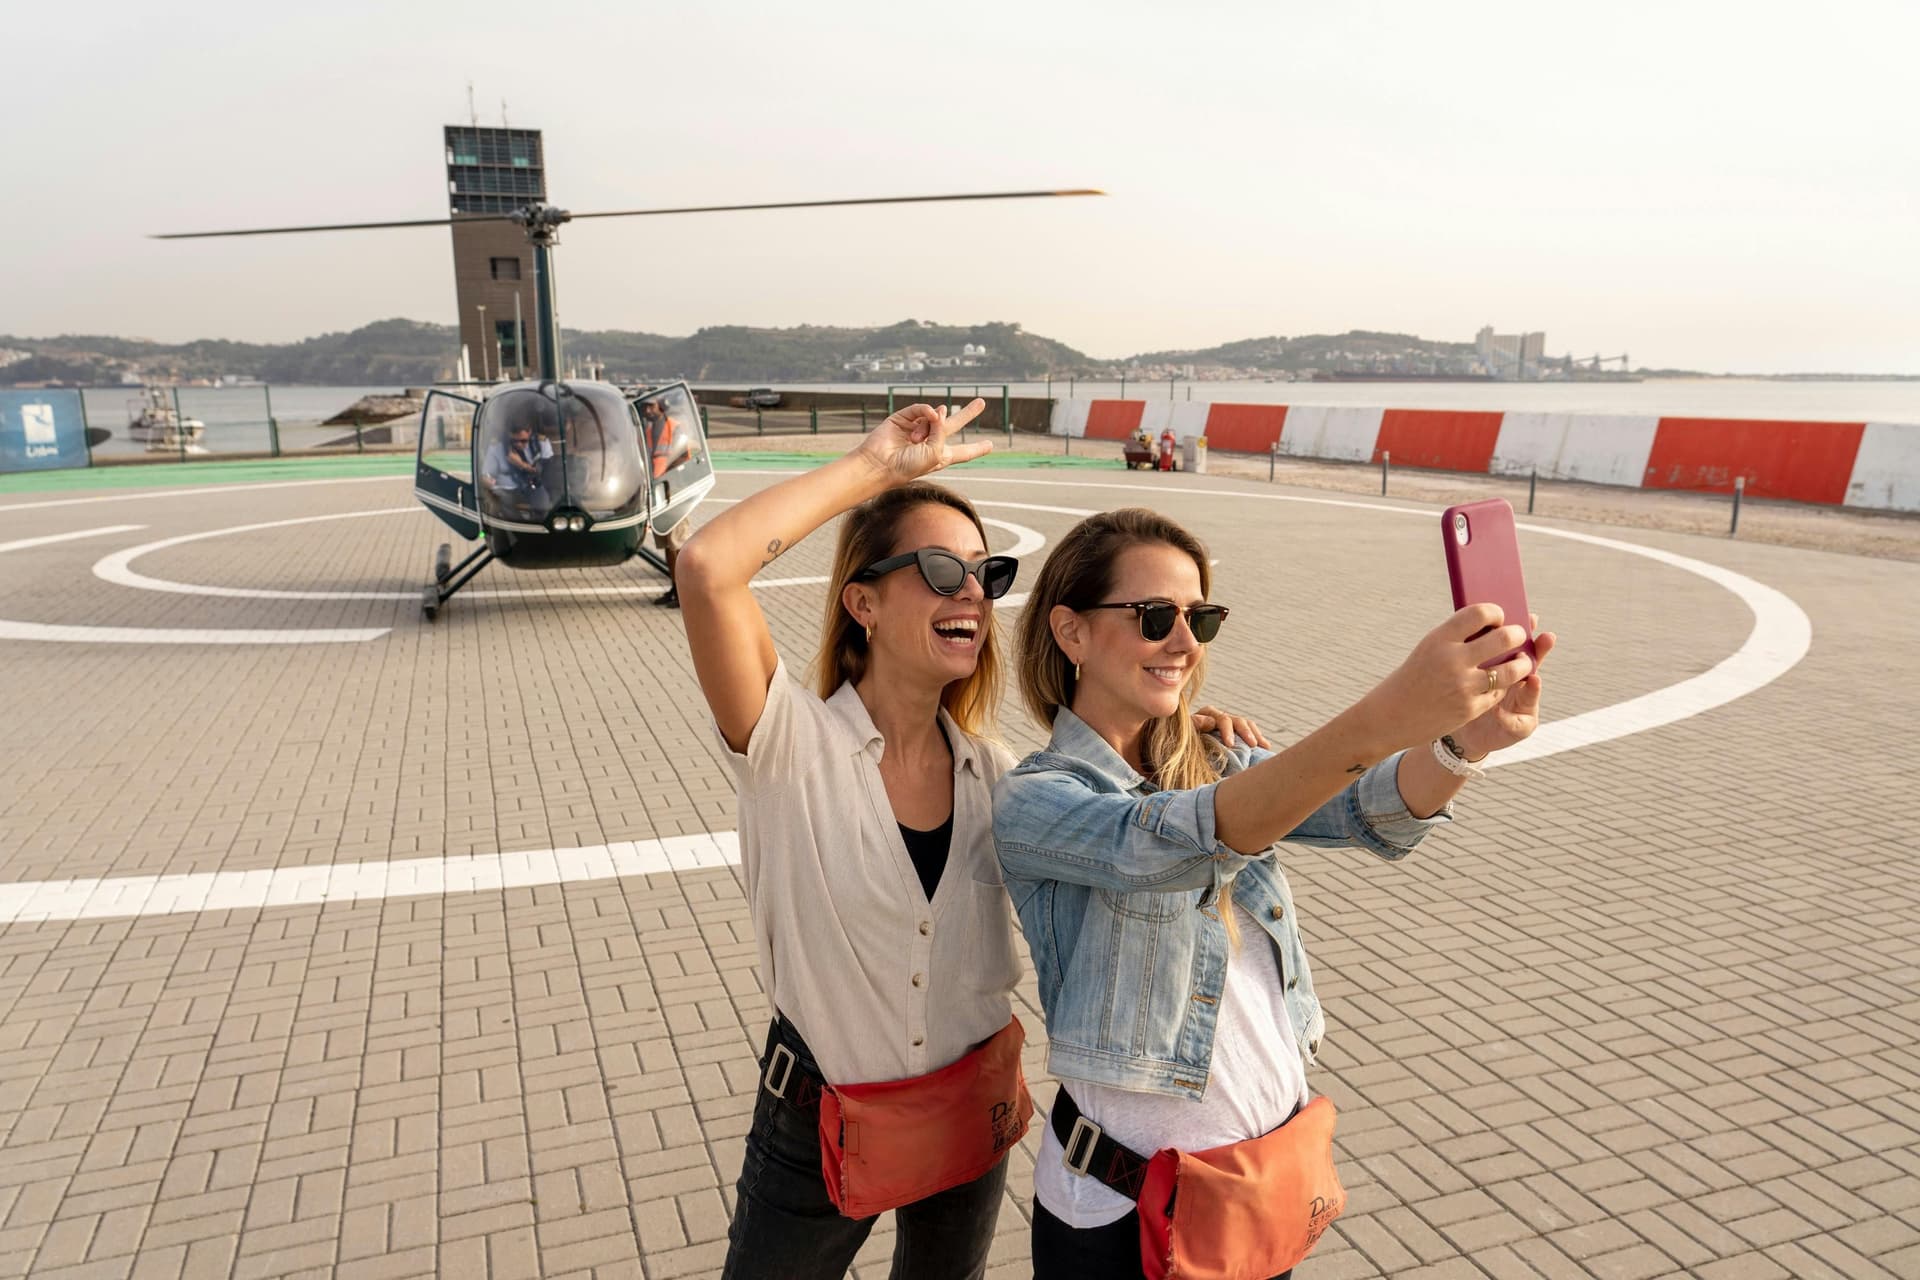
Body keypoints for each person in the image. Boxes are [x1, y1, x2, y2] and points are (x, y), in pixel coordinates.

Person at [673, 405, 1265, 1280]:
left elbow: (1126, 824)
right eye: (941, 568)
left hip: (967, 1113)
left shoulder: (999, 778)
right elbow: (707, 566)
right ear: (862, 601)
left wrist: (1184, 737)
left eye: (984, 572)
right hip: (819, 1118)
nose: (972, 593)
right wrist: (877, 466)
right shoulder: (790, 742)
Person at [993, 508, 1556, 1280]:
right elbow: (1182, 840)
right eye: (1156, 616)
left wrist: (1468, 740)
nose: (1186, 644)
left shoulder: (1216, 759)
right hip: (1127, 1215)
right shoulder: (1038, 800)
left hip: (1258, 1192)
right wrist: (1387, 712)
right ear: (1072, 632)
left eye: (1202, 618)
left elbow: (1364, 810)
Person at [643, 396, 693, 607]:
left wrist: (667, 476)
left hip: (674, 491)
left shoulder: (675, 427)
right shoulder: (648, 430)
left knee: (678, 543)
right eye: (646, 406)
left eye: (651, 406)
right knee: (666, 543)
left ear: (662, 407)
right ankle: (675, 588)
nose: (648, 410)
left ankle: (686, 592)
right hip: (659, 493)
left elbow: (683, 457)